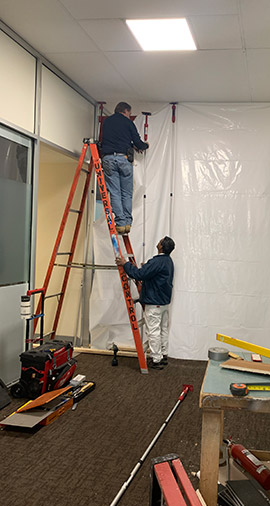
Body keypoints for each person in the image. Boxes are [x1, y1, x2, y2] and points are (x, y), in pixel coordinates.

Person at [116, 236, 175, 370]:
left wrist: (125, 264)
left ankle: (156, 360)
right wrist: (147, 268)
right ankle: (163, 355)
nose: (158, 242)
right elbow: (156, 274)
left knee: (153, 331)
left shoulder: (157, 261)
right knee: (163, 329)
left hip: (154, 303)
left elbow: (138, 275)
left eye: (159, 241)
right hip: (164, 302)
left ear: (161, 246)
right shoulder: (168, 261)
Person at [101, 102, 149, 234]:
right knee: (126, 193)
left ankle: (120, 223)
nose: (129, 116)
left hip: (108, 159)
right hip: (123, 159)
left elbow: (108, 139)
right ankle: (127, 223)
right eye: (129, 113)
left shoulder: (107, 122)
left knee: (115, 192)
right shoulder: (128, 123)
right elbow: (138, 142)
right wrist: (145, 146)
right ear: (126, 111)